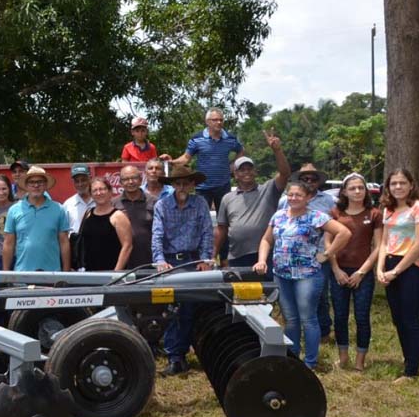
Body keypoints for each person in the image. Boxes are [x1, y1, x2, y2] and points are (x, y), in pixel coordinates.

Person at [255, 181, 350, 369]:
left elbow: (344, 233)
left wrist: (328, 254)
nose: (294, 198)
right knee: (290, 319)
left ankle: (310, 362)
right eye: (290, 194)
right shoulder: (279, 216)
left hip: (307, 275)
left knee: (308, 319)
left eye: (298, 195)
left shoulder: (316, 217)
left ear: (307, 198)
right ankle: (293, 357)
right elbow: (266, 239)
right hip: (282, 275)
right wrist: (262, 260)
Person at [152, 166, 214, 375]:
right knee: (170, 309)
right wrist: (159, 259)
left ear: (192, 184)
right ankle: (174, 356)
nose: (182, 187)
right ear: (172, 185)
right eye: (178, 183)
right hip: (169, 261)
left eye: (186, 182)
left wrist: (205, 259)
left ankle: (182, 353)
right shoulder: (162, 205)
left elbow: (207, 231)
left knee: (189, 309)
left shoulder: (200, 203)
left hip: (192, 260)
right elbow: (157, 234)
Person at [214, 129, 291, 267]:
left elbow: (284, 174)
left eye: (249, 168)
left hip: (266, 254)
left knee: (268, 289)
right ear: (235, 175)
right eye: (242, 170)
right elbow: (222, 229)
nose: (246, 172)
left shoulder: (268, 189)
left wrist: (277, 150)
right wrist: (213, 255)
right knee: (239, 289)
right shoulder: (227, 198)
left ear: (255, 171)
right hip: (237, 256)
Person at [328, 172, 382, 371]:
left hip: (363, 273)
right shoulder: (335, 213)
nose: (357, 191)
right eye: (352, 188)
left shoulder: (374, 213)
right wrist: (335, 269)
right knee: (340, 316)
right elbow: (328, 243)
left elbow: (378, 246)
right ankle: (343, 358)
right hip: (339, 272)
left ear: (366, 190)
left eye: (361, 187)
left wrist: (362, 272)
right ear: (344, 191)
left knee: (361, 316)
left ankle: (360, 361)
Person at [279, 164, 337, 341]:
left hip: (318, 254)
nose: (310, 182)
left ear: (319, 181)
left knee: (320, 296)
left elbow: (337, 228)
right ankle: (296, 333)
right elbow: (278, 226)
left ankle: (324, 331)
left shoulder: (328, 200)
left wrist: (327, 253)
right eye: (305, 179)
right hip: (289, 259)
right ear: (299, 180)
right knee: (292, 299)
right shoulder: (285, 200)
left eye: (313, 179)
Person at [376, 169, 419, 382]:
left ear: (411, 185)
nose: (398, 187)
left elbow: (418, 245)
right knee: (398, 318)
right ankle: (409, 358)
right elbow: (384, 242)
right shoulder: (389, 209)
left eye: (402, 183)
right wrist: (380, 268)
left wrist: (396, 271)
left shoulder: (417, 208)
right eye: (394, 184)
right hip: (391, 264)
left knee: (410, 318)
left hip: (411, 266)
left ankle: (411, 371)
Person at [171, 107, 244, 210]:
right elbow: (186, 158)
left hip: (223, 185)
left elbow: (240, 150)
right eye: (215, 120)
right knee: (201, 218)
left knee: (224, 220)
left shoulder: (230, 139)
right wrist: (171, 161)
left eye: (221, 120)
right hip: (203, 187)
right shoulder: (197, 139)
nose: (219, 122)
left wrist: (234, 166)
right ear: (207, 122)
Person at [2, 166, 71, 272]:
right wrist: (6, 274)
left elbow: (64, 242)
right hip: (22, 273)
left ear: (46, 184)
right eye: (32, 182)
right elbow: (8, 243)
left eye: (40, 181)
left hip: (52, 273)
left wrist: (66, 273)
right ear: (26, 185)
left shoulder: (59, 209)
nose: (36, 185)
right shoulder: (14, 210)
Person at [77, 177, 133, 271]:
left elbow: (127, 246)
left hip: (111, 273)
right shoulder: (88, 214)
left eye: (102, 189)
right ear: (91, 194)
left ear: (110, 192)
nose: (99, 193)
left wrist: (116, 273)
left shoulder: (118, 216)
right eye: (95, 190)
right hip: (89, 272)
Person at [112, 165, 156, 269]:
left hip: (149, 261)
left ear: (141, 180)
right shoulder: (113, 204)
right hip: (121, 262)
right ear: (120, 183)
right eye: (126, 179)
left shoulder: (154, 202)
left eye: (134, 178)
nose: (130, 182)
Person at [0, 174, 15, 270]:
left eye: (4, 189)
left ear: (9, 189)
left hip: (20, 255)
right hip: (1, 257)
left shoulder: (18, 207)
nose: (1, 193)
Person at [62, 164, 93, 236]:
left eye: (83, 180)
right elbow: (63, 232)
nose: (80, 184)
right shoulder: (68, 204)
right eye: (77, 181)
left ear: (90, 179)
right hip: (75, 245)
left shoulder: (99, 201)